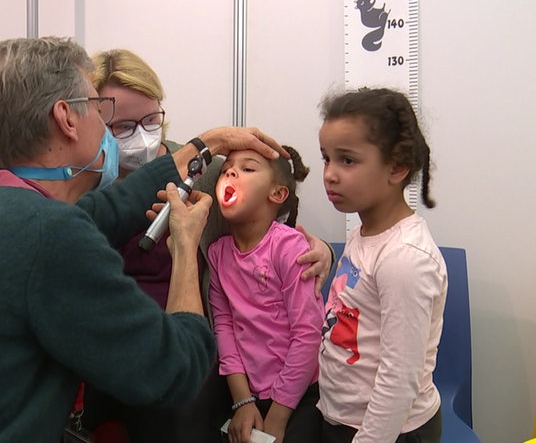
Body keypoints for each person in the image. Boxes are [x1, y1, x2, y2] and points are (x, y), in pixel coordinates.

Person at [0, 36, 288, 443]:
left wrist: (205, 143)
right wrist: (186, 249)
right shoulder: (49, 236)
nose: (109, 123)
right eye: (100, 108)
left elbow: (110, 209)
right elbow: (175, 370)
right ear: (67, 118)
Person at [78, 48, 333, 443]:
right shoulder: (85, 185)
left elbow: (274, 228)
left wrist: (323, 250)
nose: (141, 137)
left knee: (183, 410)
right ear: (94, 121)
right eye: (123, 127)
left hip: (190, 347)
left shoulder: (203, 171)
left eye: (150, 120)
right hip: (116, 345)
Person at [316, 87, 447, 443]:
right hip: (345, 418)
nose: (329, 173)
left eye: (347, 160)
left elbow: (399, 377)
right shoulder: (365, 232)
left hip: (389, 432)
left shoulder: (405, 258)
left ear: (397, 167)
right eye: (326, 158)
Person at [208, 145, 324, 443]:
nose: (231, 172)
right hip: (248, 394)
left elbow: (307, 335)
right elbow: (224, 327)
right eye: (226, 170)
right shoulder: (218, 254)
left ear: (277, 194)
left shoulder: (290, 248)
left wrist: (278, 416)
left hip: (301, 395)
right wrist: (242, 401)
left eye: (247, 168)